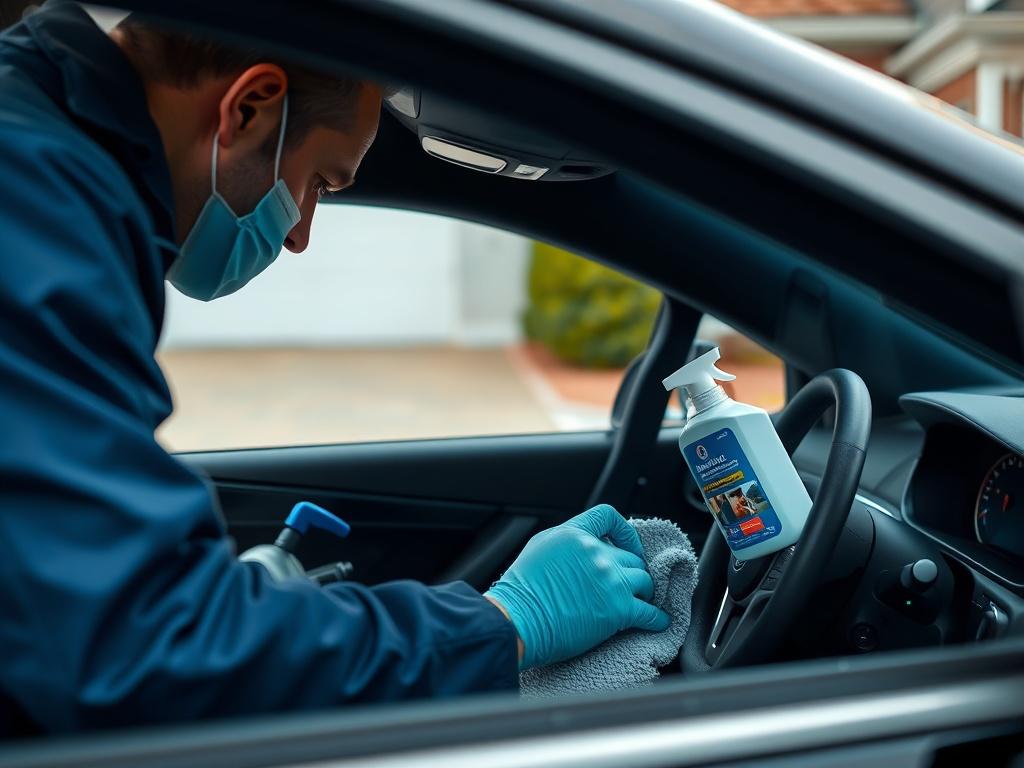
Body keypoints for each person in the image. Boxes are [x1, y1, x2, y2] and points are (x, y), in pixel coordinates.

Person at [0, 2, 669, 735]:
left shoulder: (56, 183)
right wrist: (504, 623)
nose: (300, 235)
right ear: (249, 108)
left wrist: (241, 598)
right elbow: (141, 647)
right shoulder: (35, 209)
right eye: (320, 181)